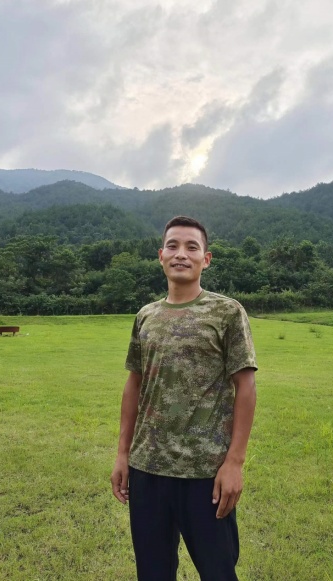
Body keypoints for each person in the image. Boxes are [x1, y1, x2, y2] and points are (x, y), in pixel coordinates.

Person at [111, 216, 257, 581]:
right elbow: (134, 385)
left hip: (205, 473)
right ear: (160, 255)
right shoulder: (146, 316)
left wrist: (234, 463)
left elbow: (246, 387)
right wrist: (123, 454)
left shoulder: (227, 312)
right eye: (173, 246)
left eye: (192, 247)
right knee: (153, 572)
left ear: (206, 259)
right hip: (148, 470)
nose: (181, 254)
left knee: (218, 571)